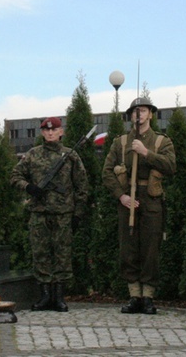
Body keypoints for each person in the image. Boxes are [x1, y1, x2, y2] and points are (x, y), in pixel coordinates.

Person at [102, 97, 176, 315]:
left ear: (150, 114)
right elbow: (107, 172)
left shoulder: (162, 142)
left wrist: (146, 153)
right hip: (128, 198)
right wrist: (120, 196)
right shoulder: (121, 142)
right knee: (129, 248)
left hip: (151, 200)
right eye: (135, 112)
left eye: (143, 111)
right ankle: (134, 295)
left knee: (151, 248)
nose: (139, 115)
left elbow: (171, 166)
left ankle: (148, 297)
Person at [11, 117, 88, 312]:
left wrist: (78, 214)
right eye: (46, 130)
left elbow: (81, 186)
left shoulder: (71, 155)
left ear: (61, 132)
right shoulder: (33, 155)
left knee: (63, 255)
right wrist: (29, 187)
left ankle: (59, 297)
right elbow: (15, 176)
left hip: (63, 214)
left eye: (54, 130)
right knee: (40, 254)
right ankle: (45, 296)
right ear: (42, 133)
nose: (51, 133)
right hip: (39, 213)